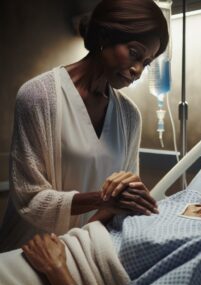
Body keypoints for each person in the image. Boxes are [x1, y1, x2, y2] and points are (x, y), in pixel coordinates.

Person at [0, 117, 201, 285]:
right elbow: (101, 233)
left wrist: (57, 271)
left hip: (55, 281)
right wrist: (111, 203)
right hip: (46, 255)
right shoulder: (187, 198)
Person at [0, 0, 169, 252]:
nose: (137, 70)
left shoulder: (129, 116)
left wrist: (125, 202)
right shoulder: (39, 96)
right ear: (105, 35)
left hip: (83, 252)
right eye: (134, 53)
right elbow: (30, 199)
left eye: (145, 63)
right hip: (27, 255)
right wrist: (102, 199)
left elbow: (124, 197)